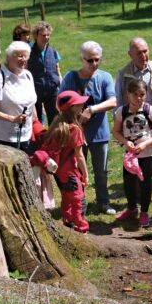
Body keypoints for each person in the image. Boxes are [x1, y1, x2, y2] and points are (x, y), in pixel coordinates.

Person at [60, 41, 117, 214]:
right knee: (77, 169)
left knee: (101, 171)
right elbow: (61, 101)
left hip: (99, 132)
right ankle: (80, 203)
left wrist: (91, 110)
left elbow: (113, 101)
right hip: (77, 133)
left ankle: (103, 202)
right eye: (89, 60)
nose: (93, 64)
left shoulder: (105, 77)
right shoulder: (71, 77)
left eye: (96, 60)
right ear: (82, 59)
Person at [115, 37, 152, 204]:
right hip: (135, 124)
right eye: (139, 52)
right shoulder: (124, 73)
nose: (143, 55)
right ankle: (140, 192)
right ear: (130, 54)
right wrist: (120, 120)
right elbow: (119, 99)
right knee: (138, 157)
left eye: (145, 51)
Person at [113, 79, 152, 227]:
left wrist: (145, 144)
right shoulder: (121, 111)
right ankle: (132, 209)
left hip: (147, 154)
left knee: (145, 183)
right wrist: (125, 142)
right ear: (128, 94)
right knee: (128, 183)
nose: (139, 98)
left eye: (142, 94)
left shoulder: (150, 111)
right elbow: (115, 131)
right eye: (135, 95)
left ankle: (145, 212)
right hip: (130, 156)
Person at [42, 90, 90, 233]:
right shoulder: (74, 129)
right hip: (69, 170)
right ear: (71, 108)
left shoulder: (57, 124)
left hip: (58, 170)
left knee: (66, 195)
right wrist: (86, 175)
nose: (82, 105)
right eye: (78, 104)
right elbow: (79, 155)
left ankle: (67, 219)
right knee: (77, 197)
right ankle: (80, 224)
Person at [0, 41, 37, 152]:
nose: (24, 59)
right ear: (9, 57)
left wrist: (35, 120)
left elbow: (31, 102)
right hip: (5, 137)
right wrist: (13, 119)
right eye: (20, 56)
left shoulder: (28, 75)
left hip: (27, 134)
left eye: (26, 56)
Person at [28, 21, 61, 125]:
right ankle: (40, 141)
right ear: (36, 35)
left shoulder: (53, 51)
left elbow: (57, 68)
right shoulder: (28, 50)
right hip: (35, 91)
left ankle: (54, 140)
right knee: (36, 122)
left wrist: (61, 83)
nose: (46, 37)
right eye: (43, 35)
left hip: (52, 91)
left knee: (55, 120)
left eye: (48, 35)